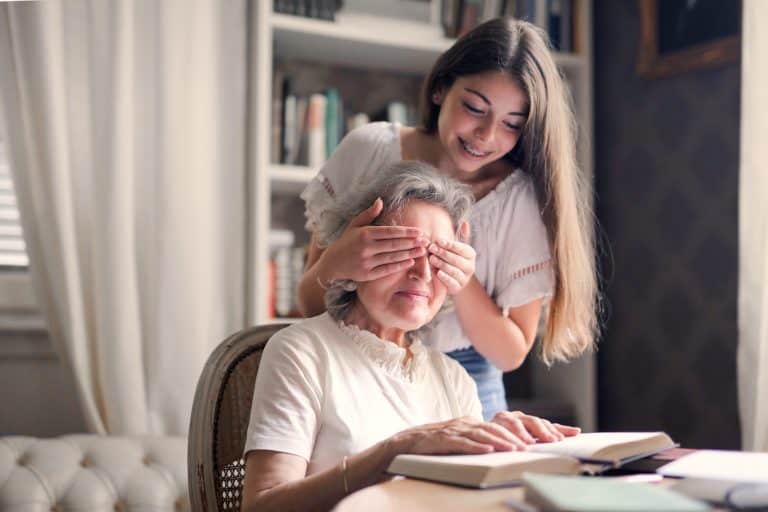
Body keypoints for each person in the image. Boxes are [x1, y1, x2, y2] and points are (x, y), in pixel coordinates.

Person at [297, 17, 599, 420]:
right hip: (355, 363)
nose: (486, 135)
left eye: (512, 124)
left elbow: (510, 353)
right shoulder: (368, 150)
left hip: (468, 378)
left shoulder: (519, 201)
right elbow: (308, 304)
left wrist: (459, 279)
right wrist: (338, 261)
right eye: (474, 108)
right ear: (441, 89)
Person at [241, 161, 580, 512]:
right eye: (402, 251)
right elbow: (261, 506)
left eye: (438, 258)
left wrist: (509, 448)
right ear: (358, 253)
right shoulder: (301, 353)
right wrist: (398, 448)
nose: (421, 272)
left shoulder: (454, 380)